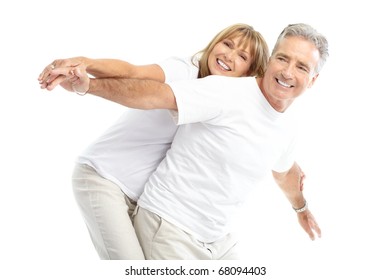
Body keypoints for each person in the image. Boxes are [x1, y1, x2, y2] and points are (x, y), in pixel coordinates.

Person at [38, 23, 288, 259]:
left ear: (251, 72)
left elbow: (271, 143)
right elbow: (132, 72)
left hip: (145, 200)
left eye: (243, 56)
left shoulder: (230, 104)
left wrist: (300, 202)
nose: (229, 56)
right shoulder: (185, 71)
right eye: (227, 44)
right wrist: (83, 68)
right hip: (104, 178)